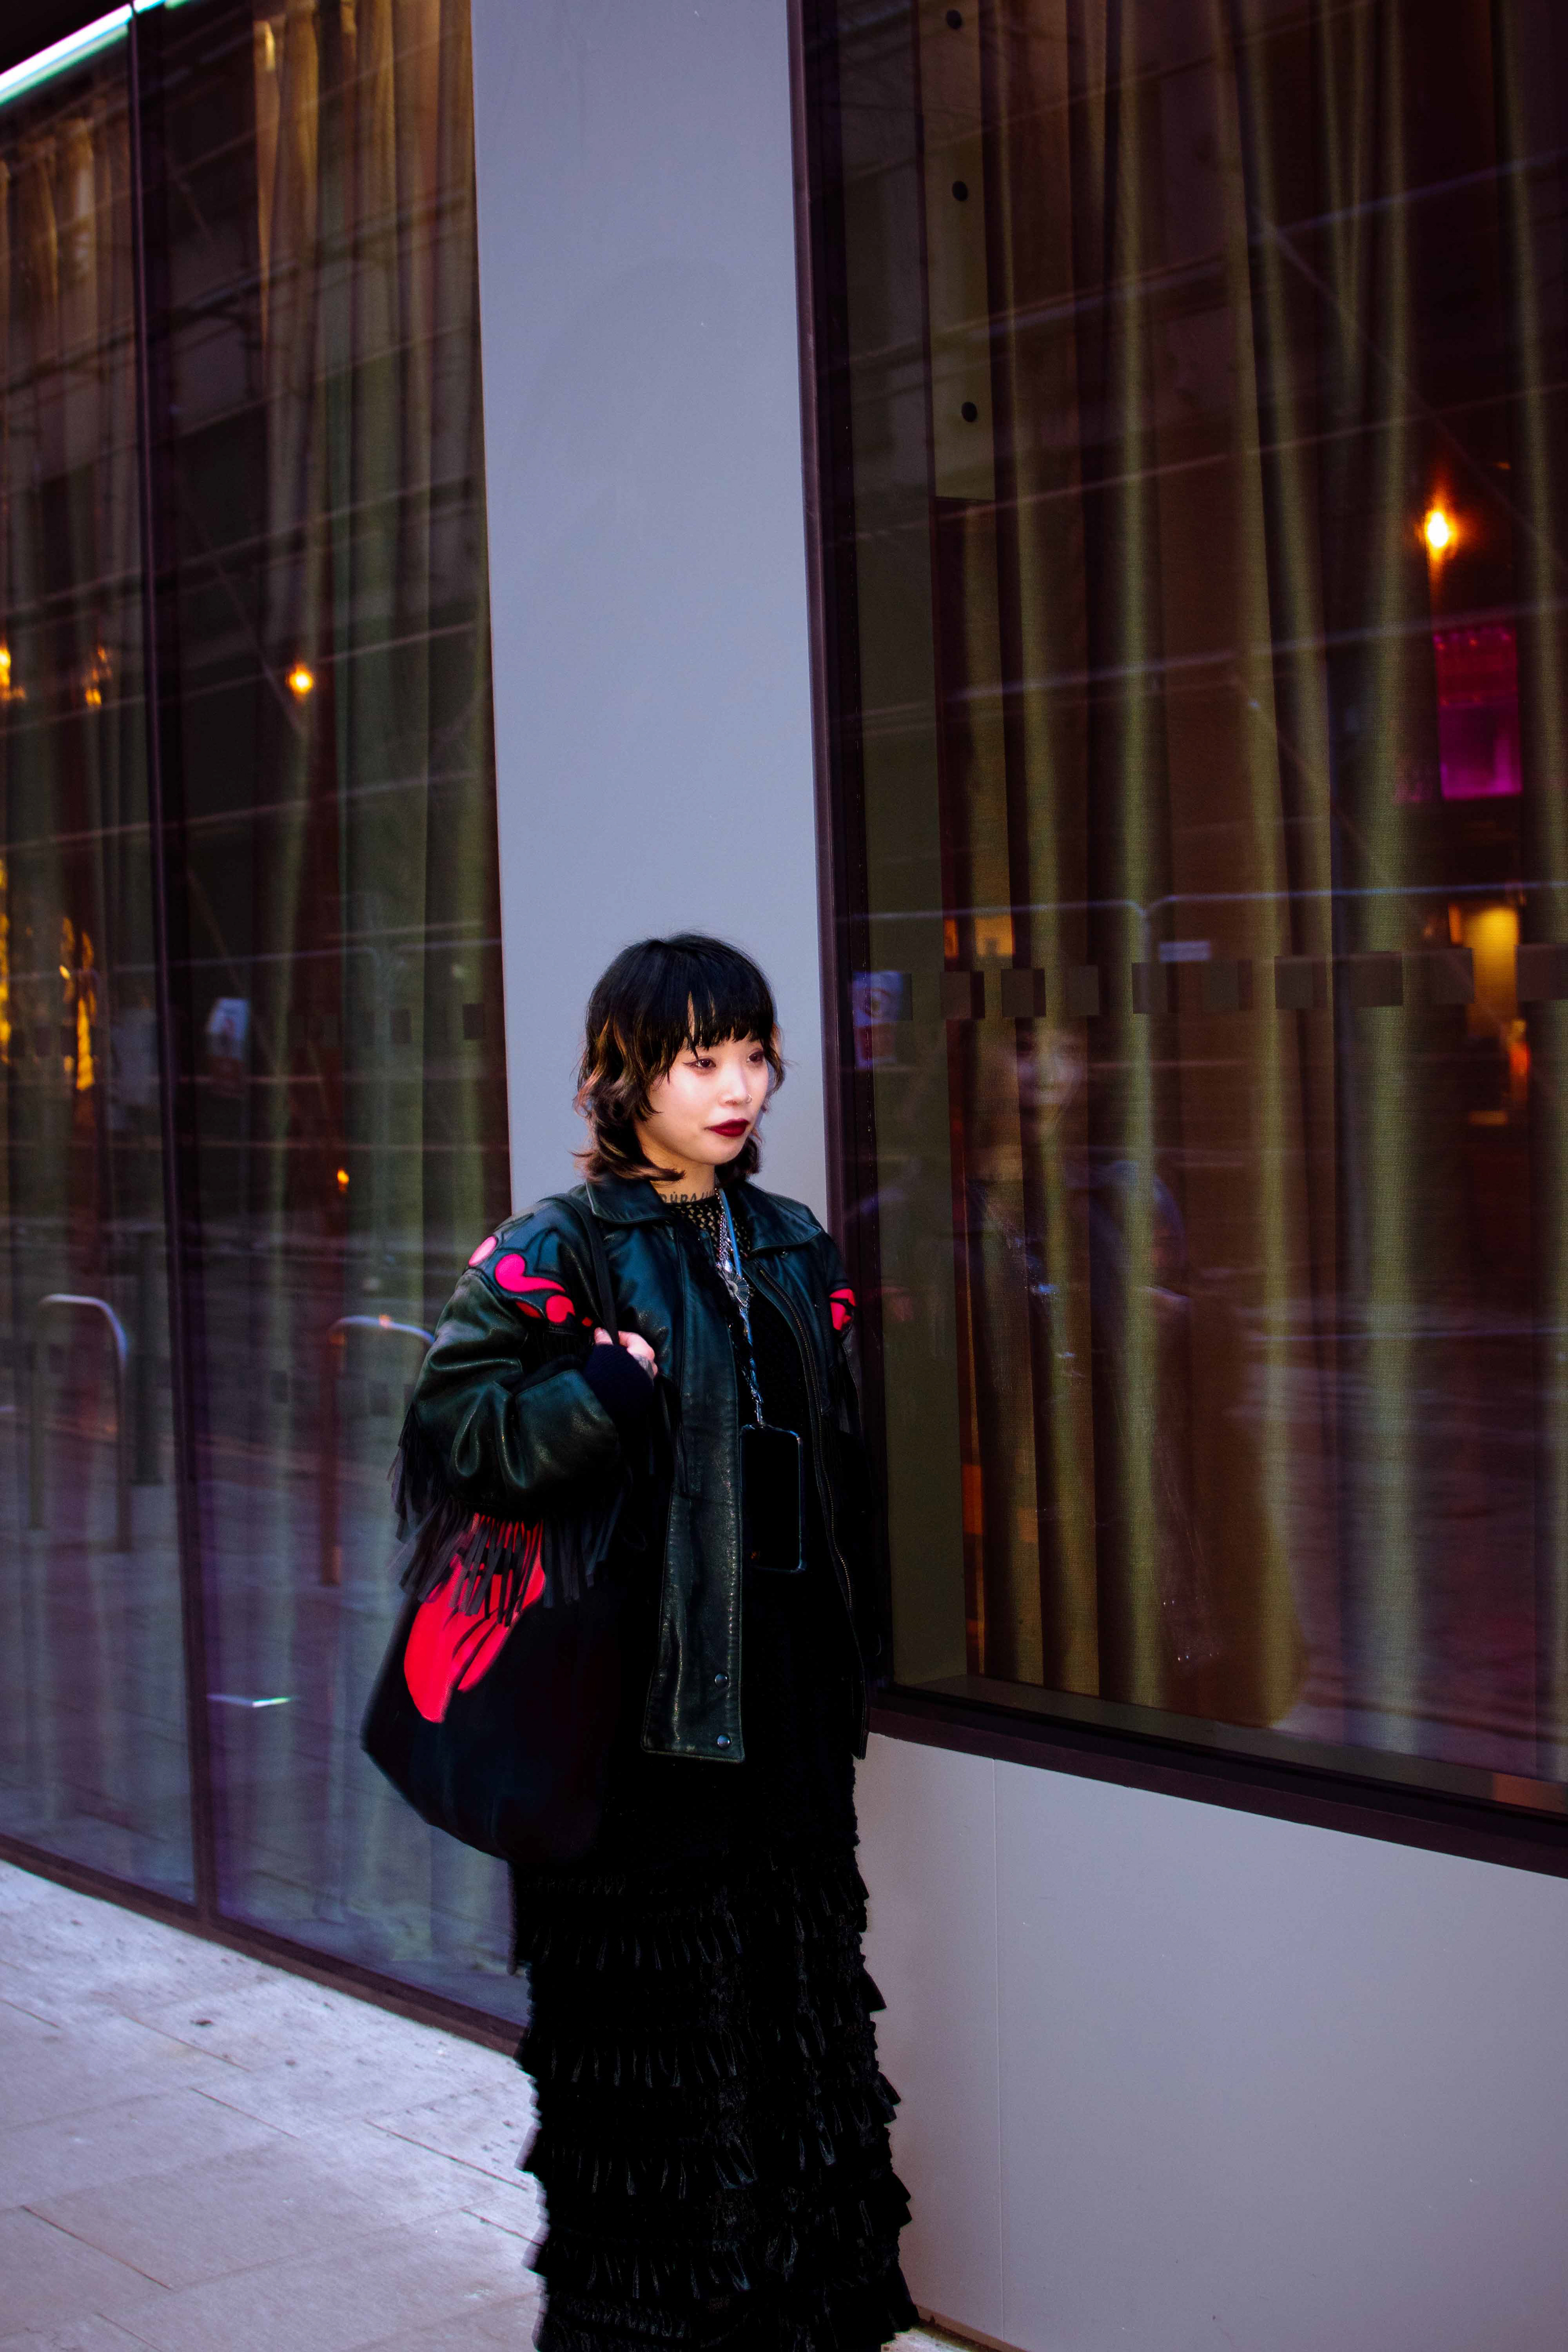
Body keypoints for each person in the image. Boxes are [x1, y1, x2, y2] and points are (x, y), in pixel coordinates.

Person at [395, 934, 917, 2352]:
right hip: (630, 1721)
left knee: (791, 2020)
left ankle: (800, 2319)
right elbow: (451, 1436)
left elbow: (838, 1461)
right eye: (702, 1061)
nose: (738, 1088)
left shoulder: (794, 1241)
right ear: (624, 1074)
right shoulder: (555, 1250)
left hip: (781, 1708)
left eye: (754, 1057)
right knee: (654, 2056)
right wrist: (595, 1398)